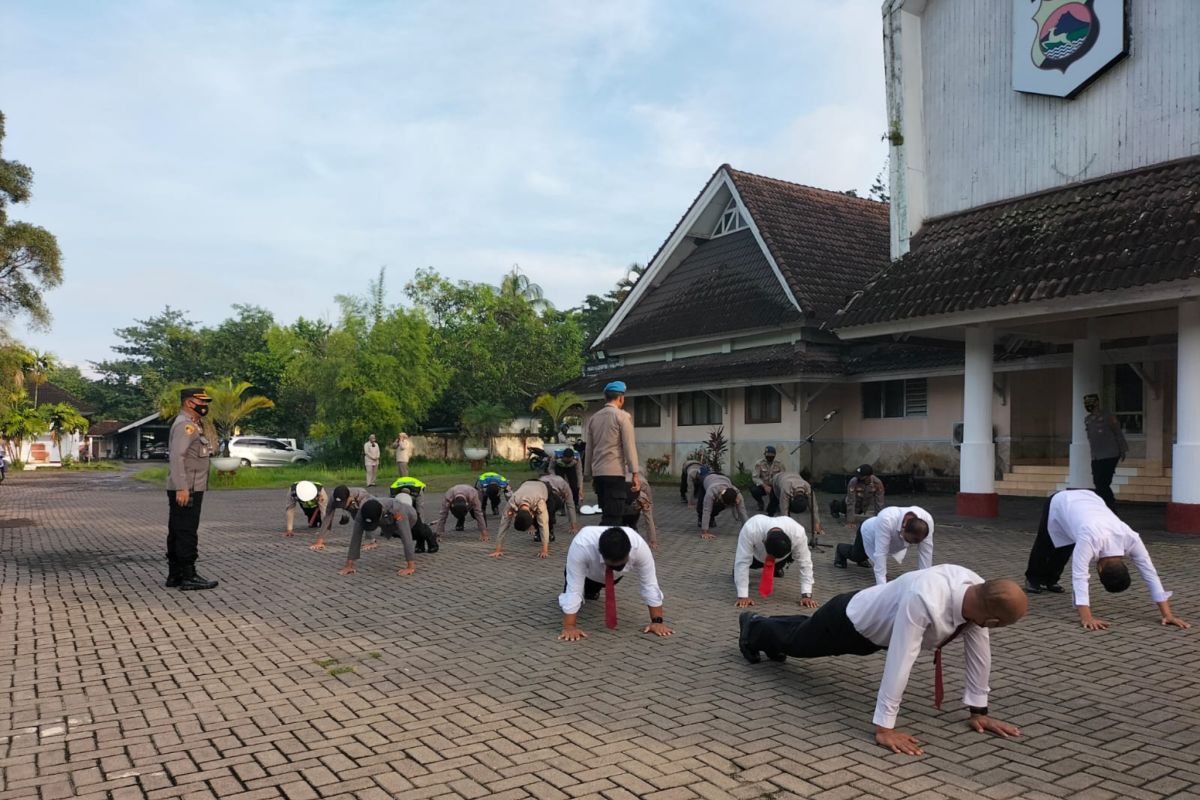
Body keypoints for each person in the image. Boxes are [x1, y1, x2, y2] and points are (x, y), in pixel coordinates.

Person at [738, 565, 1028, 756]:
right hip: (849, 622)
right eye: (998, 625)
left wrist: (979, 711)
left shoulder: (978, 590)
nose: (991, 629)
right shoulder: (925, 600)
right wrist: (885, 728)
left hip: (869, 623)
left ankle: (764, 625)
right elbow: (901, 660)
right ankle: (752, 626)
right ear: (991, 618)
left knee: (802, 631)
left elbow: (979, 653)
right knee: (797, 643)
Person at [1024, 489, 1189, 630]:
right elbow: (1079, 575)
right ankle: (1033, 579)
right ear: (1101, 570)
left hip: (1088, 503)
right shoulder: (1091, 538)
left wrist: (1168, 615)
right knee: (1046, 544)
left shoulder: (1131, 538)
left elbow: (1150, 573)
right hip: (1060, 501)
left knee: (1066, 546)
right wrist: (1086, 617)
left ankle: (1051, 580)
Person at [558, 526, 671, 641]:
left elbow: (650, 585)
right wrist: (569, 626)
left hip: (610, 579)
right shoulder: (581, 545)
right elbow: (574, 588)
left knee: (592, 592)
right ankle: (589, 589)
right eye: (612, 564)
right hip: (587, 573)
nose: (618, 566)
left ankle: (595, 588)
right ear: (601, 554)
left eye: (622, 563)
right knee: (576, 596)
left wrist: (657, 622)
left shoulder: (639, 547)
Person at [165, 387, 218, 590]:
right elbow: (177, 457)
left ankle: (175, 574)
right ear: (189, 403)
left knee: (178, 530)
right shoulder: (186, 426)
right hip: (188, 488)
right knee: (186, 531)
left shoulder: (193, 425)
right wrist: (182, 488)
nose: (205, 406)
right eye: (201, 402)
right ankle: (188, 575)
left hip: (188, 486)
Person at [583, 380, 641, 525]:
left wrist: (589, 474)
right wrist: (635, 473)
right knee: (614, 516)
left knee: (606, 513)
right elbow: (629, 446)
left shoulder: (594, 418)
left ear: (605, 398)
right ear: (621, 398)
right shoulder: (622, 417)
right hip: (615, 474)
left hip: (599, 475)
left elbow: (589, 448)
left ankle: (606, 541)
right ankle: (607, 544)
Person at [732, 515, 817, 609]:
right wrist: (743, 595)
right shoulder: (751, 528)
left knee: (785, 562)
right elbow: (742, 561)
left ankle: (777, 566)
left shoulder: (797, 532)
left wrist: (806, 595)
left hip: (783, 559)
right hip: (756, 557)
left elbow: (805, 563)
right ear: (763, 541)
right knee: (740, 568)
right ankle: (736, 573)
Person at [834, 505, 935, 584]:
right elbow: (881, 554)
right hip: (869, 532)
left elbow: (926, 553)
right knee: (857, 556)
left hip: (888, 538)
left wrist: (924, 582)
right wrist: (882, 587)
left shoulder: (927, 521)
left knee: (864, 556)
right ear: (904, 526)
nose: (909, 544)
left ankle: (863, 558)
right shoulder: (887, 519)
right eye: (908, 540)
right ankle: (840, 550)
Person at [339, 497, 419, 577]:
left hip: (410, 517)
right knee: (396, 533)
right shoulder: (362, 512)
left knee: (420, 533)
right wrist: (348, 566)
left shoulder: (397, 510)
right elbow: (355, 537)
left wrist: (410, 567)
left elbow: (406, 538)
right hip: (388, 522)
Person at [1083, 393, 1127, 510]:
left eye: (1090, 402)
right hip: (1096, 456)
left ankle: (1109, 504)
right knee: (1097, 481)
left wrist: (1122, 450)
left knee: (1104, 482)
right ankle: (1105, 504)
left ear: (1097, 402)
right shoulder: (1088, 420)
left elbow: (1118, 433)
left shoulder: (1108, 417)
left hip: (1110, 454)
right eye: (1086, 403)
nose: (1088, 405)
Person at [490, 479, 552, 559]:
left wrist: (544, 550)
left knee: (550, 514)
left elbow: (544, 525)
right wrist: (498, 549)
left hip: (544, 486)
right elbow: (504, 524)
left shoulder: (540, 502)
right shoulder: (512, 501)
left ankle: (551, 534)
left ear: (532, 515)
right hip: (526, 483)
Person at [771, 471, 824, 540]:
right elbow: (784, 510)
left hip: (794, 476)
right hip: (777, 479)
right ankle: (770, 519)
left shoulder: (808, 488)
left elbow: (814, 507)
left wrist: (817, 524)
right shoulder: (785, 489)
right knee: (775, 504)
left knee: (783, 505)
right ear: (792, 499)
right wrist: (787, 528)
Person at [697, 472, 747, 539]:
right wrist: (705, 532)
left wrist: (747, 531)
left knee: (718, 506)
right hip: (708, 479)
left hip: (724, 478)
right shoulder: (711, 492)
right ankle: (701, 519)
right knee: (701, 506)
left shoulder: (737, 494)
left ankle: (711, 518)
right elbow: (707, 510)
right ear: (721, 496)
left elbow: (742, 512)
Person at [621, 479, 659, 549]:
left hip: (623, 503)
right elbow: (648, 517)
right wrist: (653, 541)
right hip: (632, 503)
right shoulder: (643, 485)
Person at [539, 472, 579, 538]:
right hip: (548, 491)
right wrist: (574, 527)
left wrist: (573, 527)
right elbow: (571, 506)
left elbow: (570, 505)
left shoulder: (563, 485)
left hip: (557, 489)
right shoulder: (541, 484)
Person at [748, 447, 785, 512]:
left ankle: (777, 503)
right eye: (768, 456)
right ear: (765, 455)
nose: (770, 457)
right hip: (763, 485)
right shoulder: (759, 463)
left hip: (775, 486)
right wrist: (764, 486)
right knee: (753, 488)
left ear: (774, 455)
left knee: (782, 488)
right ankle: (760, 502)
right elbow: (755, 477)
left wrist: (776, 486)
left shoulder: (779, 464)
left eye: (772, 456)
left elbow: (783, 477)